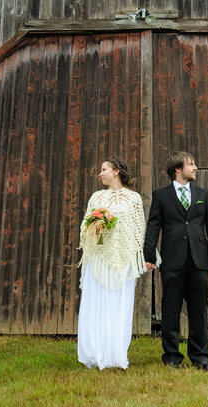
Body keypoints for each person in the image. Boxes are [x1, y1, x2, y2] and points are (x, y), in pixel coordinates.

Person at [144, 151, 208, 370]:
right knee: (170, 311)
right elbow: (153, 226)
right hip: (172, 262)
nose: (195, 167)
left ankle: (201, 358)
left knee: (198, 311)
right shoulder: (161, 196)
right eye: (191, 164)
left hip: (199, 262)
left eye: (195, 164)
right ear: (177, 169)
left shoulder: (202, 194)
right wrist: (149, 255)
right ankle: (171, 357)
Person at [77, 157, 153, 369]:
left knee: (119, 305)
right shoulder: (97, 197)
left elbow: (139, 230)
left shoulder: (134, 199)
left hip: (123, 261)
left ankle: (115, 355)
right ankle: (94, 354)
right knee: (96, 304)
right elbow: (85, 225)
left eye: (104, 169)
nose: (100, 173)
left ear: (117, 171)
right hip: (98, 260)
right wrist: (95, 227)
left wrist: (144, 256)